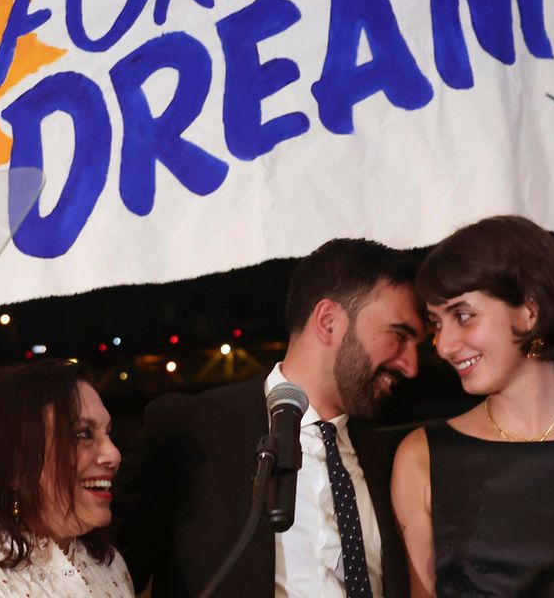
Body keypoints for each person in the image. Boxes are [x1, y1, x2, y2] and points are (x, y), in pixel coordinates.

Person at [112, 239, 426, 598]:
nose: (412, 365)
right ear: (328, 321)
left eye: (417, 345)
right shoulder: (190, 429)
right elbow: (108, 576)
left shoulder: (391, 457)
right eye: (399, 336)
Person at [390, 215, 554, 598]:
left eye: (462, 316)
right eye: (437, 323)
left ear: (530, 311)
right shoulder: (423, 457)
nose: (444, 345)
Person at [0, 359, 133, 597]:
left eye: (108, 433)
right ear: (14, 462)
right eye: (83, 434)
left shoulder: (109, 567)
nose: (113, 454)